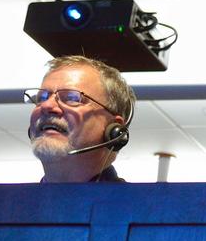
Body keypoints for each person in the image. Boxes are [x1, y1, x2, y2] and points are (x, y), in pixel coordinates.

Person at [26, 55, 134, 183]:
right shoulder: (9, 202)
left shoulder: (142, 203)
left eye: (71, 98)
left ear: (114, 131)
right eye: (41, 98)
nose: (47, 105)